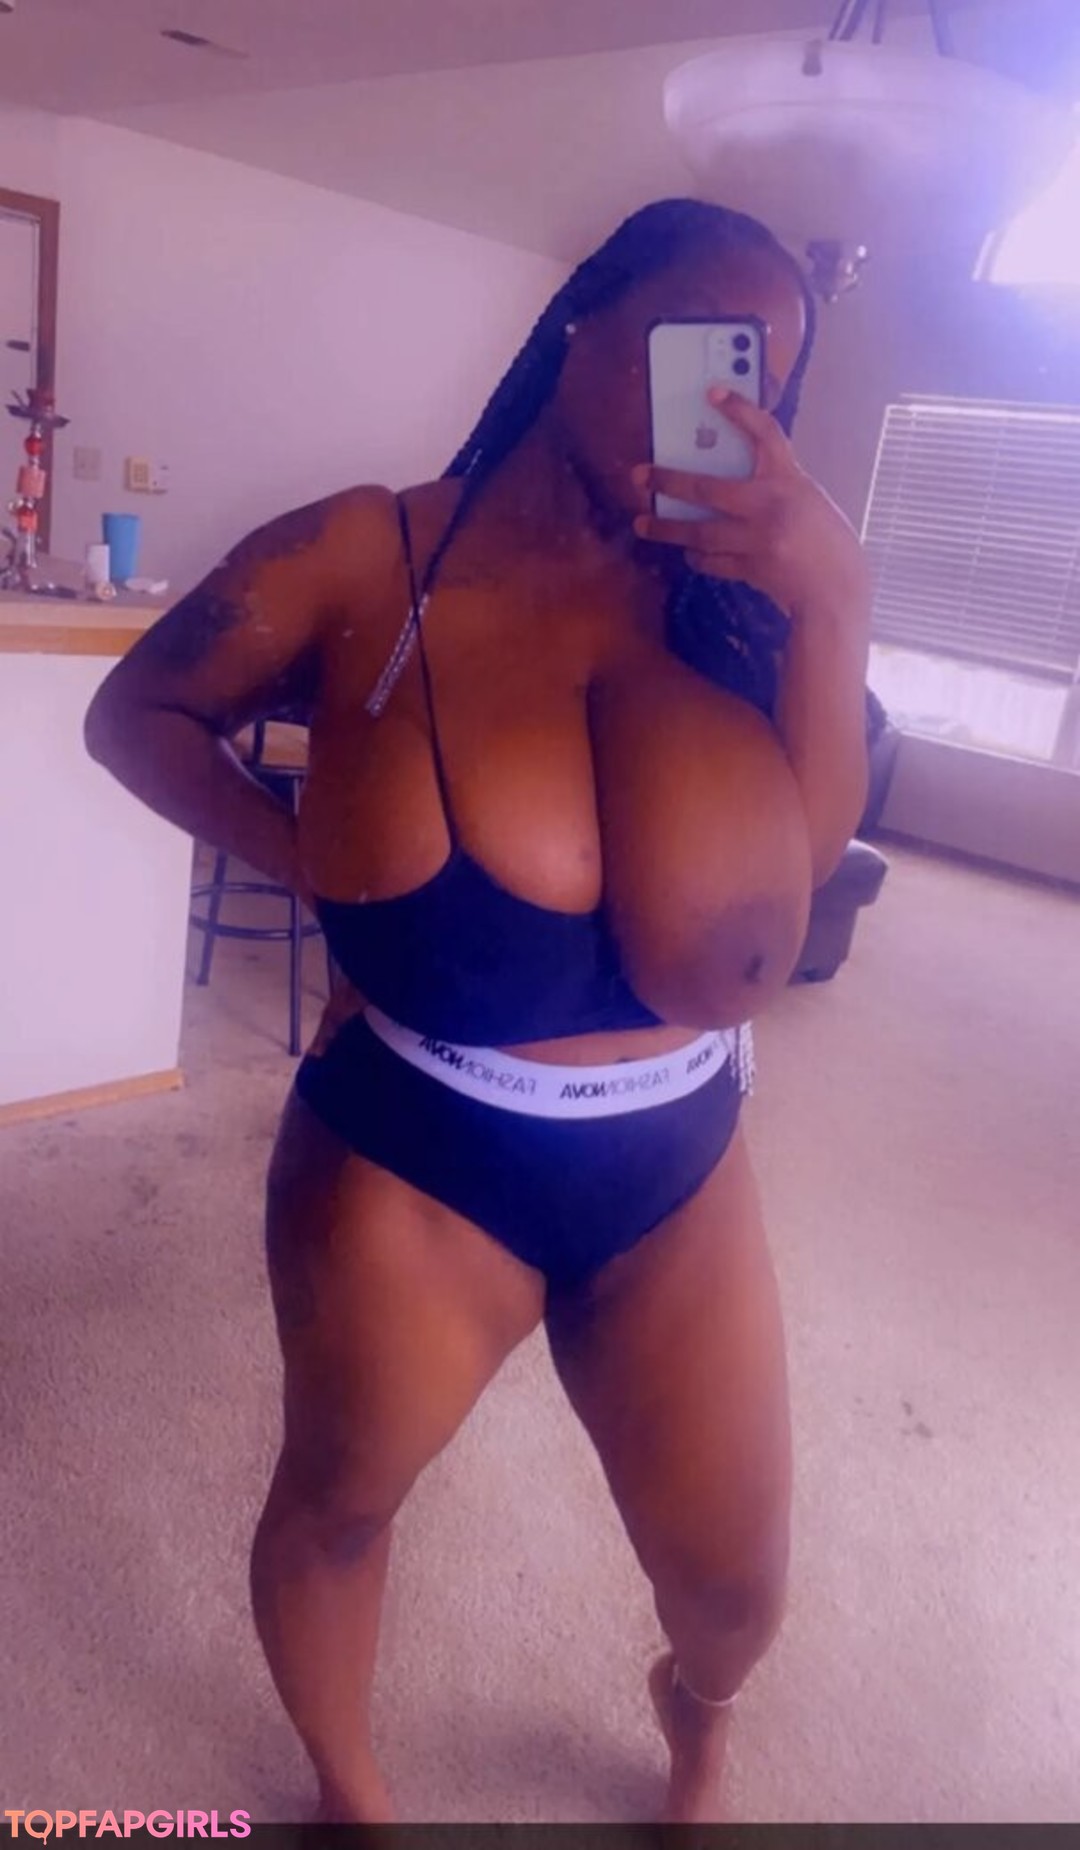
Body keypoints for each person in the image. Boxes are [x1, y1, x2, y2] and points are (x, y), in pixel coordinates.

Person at [85, 198, 871, 1824]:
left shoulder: (741, 607)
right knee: (338, 1504)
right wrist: (308, 853)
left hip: (674, 1161)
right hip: (413, 1159)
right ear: (580, 325)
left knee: (737, 1589)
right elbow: (137, 710)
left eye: (762, 385)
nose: (725, 412)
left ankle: (698, 1711)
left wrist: (834, 603)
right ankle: (352, 1794)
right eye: (699, 352)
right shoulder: (370, 555)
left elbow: (789, 887)